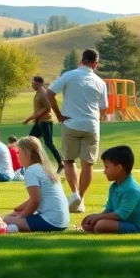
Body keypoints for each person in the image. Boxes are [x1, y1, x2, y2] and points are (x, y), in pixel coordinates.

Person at [47, 48, 108, 214]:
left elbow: (50, 93)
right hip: (91, 126)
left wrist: (58, 115)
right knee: (87, 164)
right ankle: (81, 199)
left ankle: (74, 194)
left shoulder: (69, 75)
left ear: (81, 60)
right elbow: (104, 107)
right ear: (95, 64)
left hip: (71, 123)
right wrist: (98, 119)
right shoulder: (100, 82)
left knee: (69, 161)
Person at [81, 146, 140, 234]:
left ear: (118, 168)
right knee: (89, 220)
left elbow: (121, 215)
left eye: (107, 167)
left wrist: (98, 218)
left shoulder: (132, 190)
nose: (104, 171)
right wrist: (95, 217)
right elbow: (109, 209)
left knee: (101, 225)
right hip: (123, 222)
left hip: (138, 227)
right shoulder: (114, 186)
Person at [4, 137, 69, 232]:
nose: (17, 155)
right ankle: (18, 225)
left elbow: (35, 201)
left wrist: (20, 217)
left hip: (51, 222)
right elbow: (35, 198)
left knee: (7, 219)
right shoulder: (45, 168)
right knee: (14, 214)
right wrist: (18, 209)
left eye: (19, 152)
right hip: (62, 221)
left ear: (28, 154)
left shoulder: (31, 171)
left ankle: (16, 226)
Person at [24, 76, 63, 173]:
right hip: (40, 121)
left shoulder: (42, 93)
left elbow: (48, 107)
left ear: (39, 83)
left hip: (46, 121)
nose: (32, 85)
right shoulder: (39, 93)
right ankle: (37, 163)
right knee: (31, 140)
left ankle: (61, 163)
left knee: (48, 143)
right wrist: (36, 118)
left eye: (33, 83)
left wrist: (29, 118)